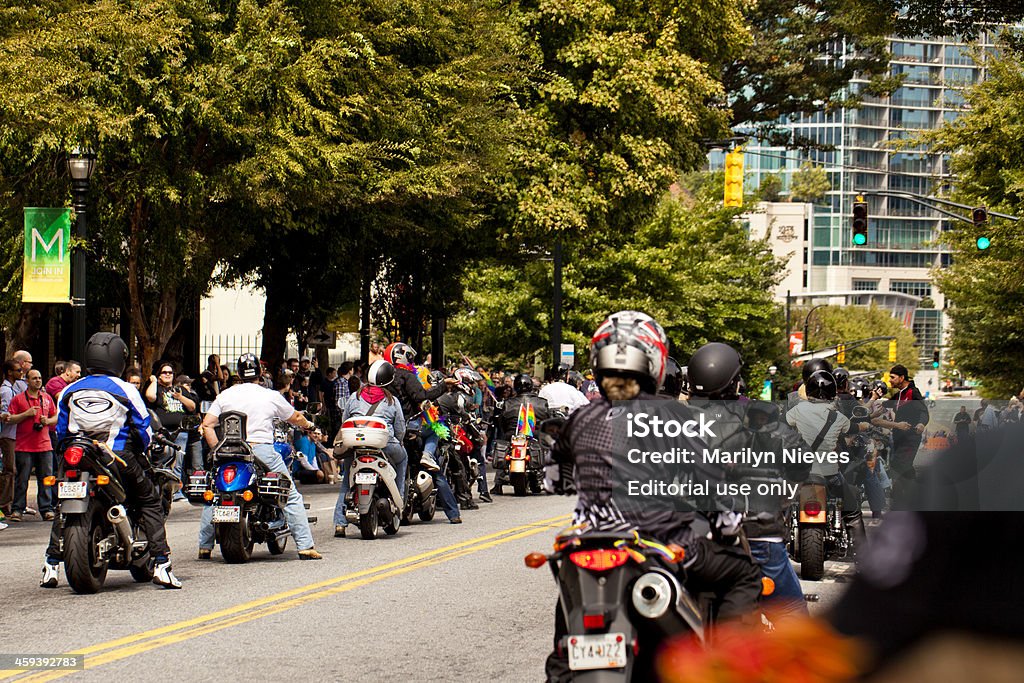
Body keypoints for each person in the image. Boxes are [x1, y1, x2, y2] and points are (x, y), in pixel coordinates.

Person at [544, 314, 763, 682]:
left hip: (589, 545)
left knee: (569, 610)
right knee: (744, 574)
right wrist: (728, 523)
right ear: (655, 363)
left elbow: (553, 481)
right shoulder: (675, 416)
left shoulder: (582, 416)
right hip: (657, 546)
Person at [44, 332, 181, 589]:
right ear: (118, 358)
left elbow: (60, 430)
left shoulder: (68, 390)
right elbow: (143, 428)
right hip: (117, 456)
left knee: (64, 503)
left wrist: (66, 450)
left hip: (76, 454)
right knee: (150, 500)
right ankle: (162, 564)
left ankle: (50, 565)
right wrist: (143, 448)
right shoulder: (125, 388)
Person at [685, 342, 810, 621]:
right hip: (754, 532)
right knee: (791, 614)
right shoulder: (755, 420)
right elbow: (800, 460)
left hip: (684, 538)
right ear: (733, 384)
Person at [197, 353, 323, 560]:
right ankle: (305, 546)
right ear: (261, 373)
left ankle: (204, 546)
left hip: (229, 452)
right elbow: (296, 417)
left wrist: (217, 450)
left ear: (238, 373)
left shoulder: (225, 395)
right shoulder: (270, 395)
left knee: (216, 494)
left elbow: (207, 425)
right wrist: (309, 425)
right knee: (290, 495)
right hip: (260, 450)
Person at [786, 369, 866, 554]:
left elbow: (781, 425)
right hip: (829, 474)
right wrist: (866, 425)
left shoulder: (797, 410)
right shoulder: (837, 417)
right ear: (833, 393)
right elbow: (854, 427)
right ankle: (862, 556)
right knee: (852, 511)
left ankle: (774, 538)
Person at [384, 342, 462, 523]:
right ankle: (453, 514)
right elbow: (421, 396)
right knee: (435, 470)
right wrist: (444, 385)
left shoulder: (384, 378)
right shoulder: (407, 375)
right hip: (410, 427)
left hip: (388, 430)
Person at [332, 360, 408, 538]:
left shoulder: (354, 396)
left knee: (346, 482)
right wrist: (400, 441)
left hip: (356, 446)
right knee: (403, 459)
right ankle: (399, 503)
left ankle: (340, 523)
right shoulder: (392, 400)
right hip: (384, 445)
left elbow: (345, 422)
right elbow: (400, 429)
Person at [7, 369, 58, 522]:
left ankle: (47, 509)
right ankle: (17, 509)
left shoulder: (47, 398)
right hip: (24, 446)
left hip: (44, 445)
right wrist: (26, 414)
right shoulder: (18, 399)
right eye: (34, 378)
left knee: (47, 479)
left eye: (40, 378)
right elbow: (10, 418)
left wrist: (48, 422)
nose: (37, 380)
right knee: (22, 480)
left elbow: (55, 416)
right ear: (27, 381)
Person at [145, 362, 197, 502]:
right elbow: (150, 397)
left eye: (170, 372)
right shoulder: (157, 388)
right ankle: (160, 492)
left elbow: (192, 407)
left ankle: (176, 492)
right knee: (162, 461)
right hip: (162, 433)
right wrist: (155, 381)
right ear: (159, 375)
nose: (168, 374)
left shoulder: (179, 389)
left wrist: (180, 397)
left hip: (180, 432)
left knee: (178, 463)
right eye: (164, 372)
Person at [887, 364, 929, 506]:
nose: (890, 380)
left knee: (901, 463)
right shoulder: (899, 394)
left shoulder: (913, 392)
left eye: (892, 377)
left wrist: (921, 424)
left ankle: (906, 496)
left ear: (902, 377)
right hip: (898, 436)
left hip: (911, 437)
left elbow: (924, 411)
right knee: (902, 464)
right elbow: (884, 406)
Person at [0, 359, 23, 519]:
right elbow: (6, 415)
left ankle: (9, 501)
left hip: (16, 434)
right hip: (8, 435)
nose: (21, 373)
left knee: (13, 469)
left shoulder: (14, 388)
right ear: (9, 372)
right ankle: (4, 503)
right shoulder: (6, 391)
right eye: (18, 370)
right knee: (9, 469)